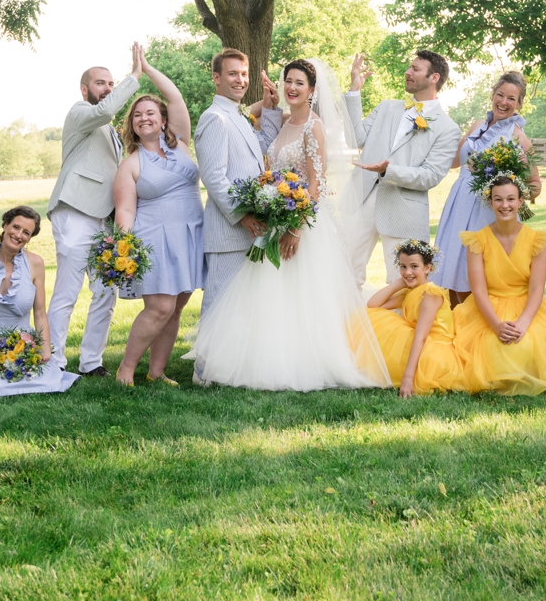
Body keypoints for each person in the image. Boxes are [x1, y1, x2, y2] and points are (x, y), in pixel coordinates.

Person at [187, 59, 389, 390]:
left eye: (299, 83)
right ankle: (262, 359)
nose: (292, 87)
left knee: (302, 296)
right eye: (288, 82)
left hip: (303, 225)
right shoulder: (282, 123)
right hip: (277, 220)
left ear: (312, 90)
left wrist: (296, 226)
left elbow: (316, 183)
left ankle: (307, 362)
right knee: (273, 297)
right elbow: (262, 149)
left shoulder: (314, 126)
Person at [45, 45, 143, 377]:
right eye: (100, 83)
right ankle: (54, 361)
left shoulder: (111, 133)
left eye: (111, 83)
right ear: (85, 89)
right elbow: (104, 110)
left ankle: (91, 362)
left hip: (103, 220)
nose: (107, 88)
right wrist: (135, 77)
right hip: (74, 211)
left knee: (105, 291)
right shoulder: (80, 113)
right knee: (67, 292)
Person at [111, 56, 203, 386]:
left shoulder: (180, 144)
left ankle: (156, 372)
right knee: (159, 308)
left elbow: (175, 97)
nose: (144, 118)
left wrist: (147, 70)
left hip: (190, 233)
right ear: (132, 125)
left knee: (176, 308)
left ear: (163, 120)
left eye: (150, 112)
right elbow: (125, 211)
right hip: (155, 239)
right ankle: (126, 368)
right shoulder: (131, 165)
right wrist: (125, 247)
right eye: (137, 115)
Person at [453, 178, 546, 395]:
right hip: (489, 306)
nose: (505, 205)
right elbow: (478, 290)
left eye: (510, 199)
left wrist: (523, 323)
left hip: (527, 305)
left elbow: (536, 289)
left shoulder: (536, 240)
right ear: (490, 202)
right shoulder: (477, 241)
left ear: (521, 201)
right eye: (498, 199)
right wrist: (496, 325)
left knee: (527, 341)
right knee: (490, 343)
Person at [345, 49, 460, 288]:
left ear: (434, 78)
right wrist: (354, 91)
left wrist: (389, 171)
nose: (407, 72)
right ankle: (344, 325)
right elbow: (355, 139)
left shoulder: (448, 128)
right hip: (361, 198)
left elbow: (431, 175)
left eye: (415, 69)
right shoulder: (386, 106)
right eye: (409, 67)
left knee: (401, 283)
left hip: (403, 210)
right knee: (345, 272)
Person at [433, 71, 543, 302]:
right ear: (492, 94)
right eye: (500, 95)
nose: (503, 102)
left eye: (511, 98)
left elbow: (535, 186)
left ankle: (475, 329)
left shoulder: (518, 137)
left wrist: (509, 191)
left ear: (519, 103)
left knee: (472, 272)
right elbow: (453, 161)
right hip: (458, 204)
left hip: (485, 210)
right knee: (449, 266)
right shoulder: (475, 126)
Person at [192, 48, 282, 316]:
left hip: (249, 232)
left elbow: (262, 146)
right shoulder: (214, 118)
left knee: (242, 309)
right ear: (216, 78)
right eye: (232, 74)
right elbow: (214, 177)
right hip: (227, 233)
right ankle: (206, 360)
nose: (240, 80)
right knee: (220, 305)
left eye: (244, 74)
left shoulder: (238, 115)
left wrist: (270, 109)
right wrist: (242, 215)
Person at [0, 207, 78, 399]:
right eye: (16, 227)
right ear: (5, 225)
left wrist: (45, 348)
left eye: (26, 232)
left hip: (24, 346)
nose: (18, 235)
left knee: (43, 378)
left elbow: (39, 314)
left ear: (29, 238)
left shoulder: (35, 263)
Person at [367, 240, 463, 397]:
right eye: (403, 267)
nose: (408, 272)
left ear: (427, 268)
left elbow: (421, 337)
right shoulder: (410, 291)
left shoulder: (430, 294)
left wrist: (408, 377)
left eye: (414, 266)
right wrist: (397, 284)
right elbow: (372, 307)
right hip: (422, 344)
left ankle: (408, 372)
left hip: (434, 352)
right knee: (372, 318)